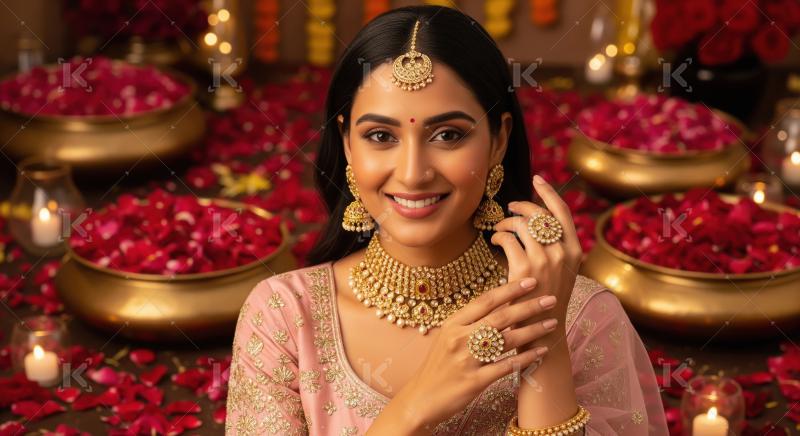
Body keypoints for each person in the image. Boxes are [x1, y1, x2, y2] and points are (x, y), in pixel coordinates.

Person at [225, 5, 668, 435]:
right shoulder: (285, 317)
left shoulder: (580, 319)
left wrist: (542, 345)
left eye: (448, 135)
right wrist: (418, 405)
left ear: (499, 141)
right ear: (346, 144)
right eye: (381, 136)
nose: (414, 172)